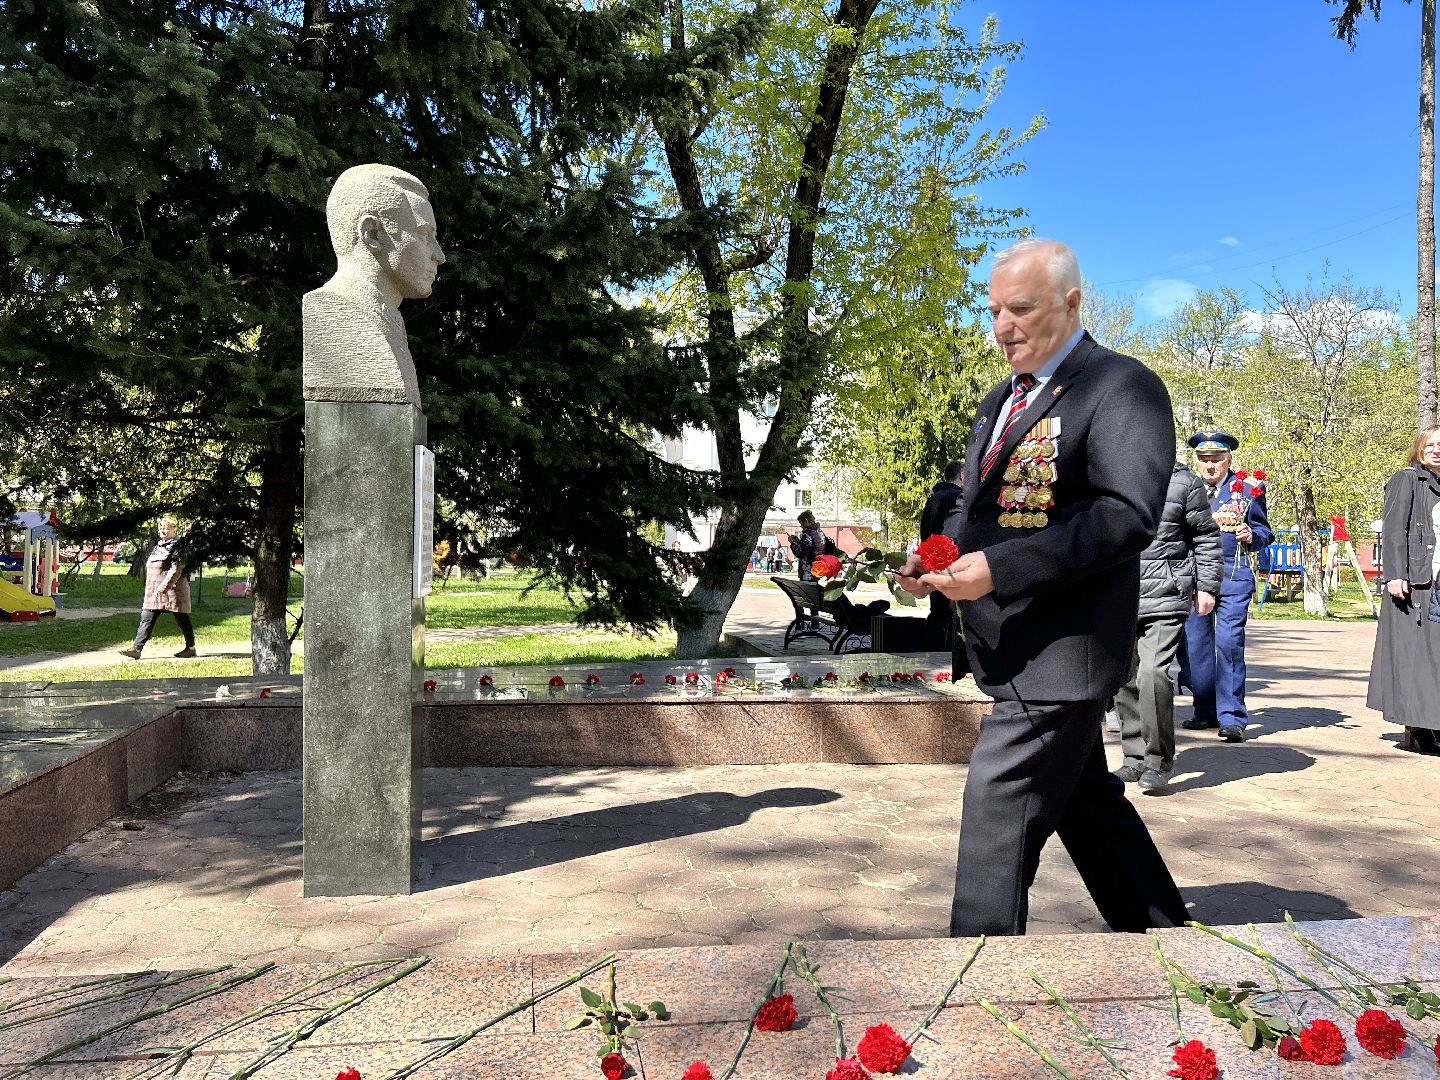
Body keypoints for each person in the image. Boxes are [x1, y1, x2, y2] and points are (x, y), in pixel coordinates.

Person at [899, 237, 1188, 938]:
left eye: (1020, 309)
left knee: (1000, 802)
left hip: (1066, 652)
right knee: (1087, 802)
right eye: (993, 310)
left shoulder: (1120, 386)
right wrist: (935, 560)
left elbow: (1126, 517)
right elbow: (980, 511)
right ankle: (1167, 941)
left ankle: (977, 974)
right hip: (1012, 645)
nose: (1003, 327)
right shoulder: (1002, 398)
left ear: (1071, 301)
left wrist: (999, 570)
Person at [1113, 461, 1223, 792]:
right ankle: (1133, 757)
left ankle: (1159, 760)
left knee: (1152, 675)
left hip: (1166, 595)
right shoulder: (1110, 474)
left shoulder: (1184, 483)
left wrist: (1207, 587)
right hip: (1119, 595)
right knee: (1123, 678)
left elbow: (1205, 536)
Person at [1180, 431, 1272, 743]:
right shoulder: (1187, 490)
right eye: (1204, 460)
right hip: (1194, 577)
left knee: (1229, 643)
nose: (1210, 465)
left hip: (1234, 576)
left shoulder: (1246, 491)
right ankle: (1204, 709)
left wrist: (1252, 535)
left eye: (1216, 459)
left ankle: (1231, 716)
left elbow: (1264, 531)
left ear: (1228, 459)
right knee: (1196, 646)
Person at [1367, 425, 1440, 754]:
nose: (1436, 450)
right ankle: (1418, 727)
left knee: (1434, 657)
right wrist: (1395, 574)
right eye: (1430, 444)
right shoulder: (1407, 479)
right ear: (1419, 448)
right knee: (1416, 658)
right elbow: (1395, 528)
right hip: (1416, 583)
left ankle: (1429, 721)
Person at [118, 518, 196, 660]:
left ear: (174, 530)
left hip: (174, 591)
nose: (162, 531)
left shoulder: (177, 546)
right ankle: (137, 648)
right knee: (147, 617)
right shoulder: (156, 547)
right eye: (160, 528)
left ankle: (190, 648)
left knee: (182, 618)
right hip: (154, 591)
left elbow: (177, 568)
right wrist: (154, 588)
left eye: (166, 528)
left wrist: (164, 587)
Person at [919, 461, 965, 651]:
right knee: (954, 613)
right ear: (962, 476)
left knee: (937, 611)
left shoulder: (934, 498)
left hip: (932, 560)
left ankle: (930, 651)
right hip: (950, 563)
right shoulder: (957, 497)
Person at [789, 510, 827, 581]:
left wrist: (792, 544)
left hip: (807, 571)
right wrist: (799, 542)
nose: (801, 526)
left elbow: (801, 553)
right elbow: (811, 548)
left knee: (806, 591)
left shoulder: (807, 535)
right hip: (816, 569)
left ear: (806, 521)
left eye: (801, 523)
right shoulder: (819, 533)